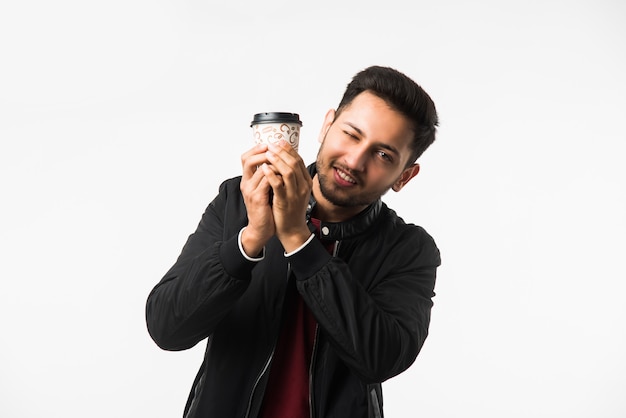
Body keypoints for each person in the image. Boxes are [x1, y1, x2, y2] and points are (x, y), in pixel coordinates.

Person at [145, 65, 441, 418]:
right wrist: (251, 238)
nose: (354, 160)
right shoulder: (238, 200)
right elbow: (167, 328)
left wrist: (298, 240)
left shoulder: (409, 249)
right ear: (326, 124)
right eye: (350, 134)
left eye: (383, 155)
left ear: (404, 177)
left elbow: (382, 358)